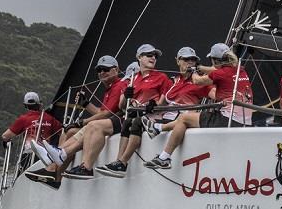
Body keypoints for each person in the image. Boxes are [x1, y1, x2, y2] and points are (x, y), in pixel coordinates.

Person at [146, 43, 252, 170]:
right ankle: (158, 128)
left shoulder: (219, 74)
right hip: (244, 121)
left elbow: (197, 81)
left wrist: (194, 71)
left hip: (227, 120)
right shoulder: (240, 68)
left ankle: (164, 157)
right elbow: (217, 70)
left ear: (215, 60)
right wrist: (200, 67)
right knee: (185, 118)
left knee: (184, 119)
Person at [26, 54, 128, 181]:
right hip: (109, 123)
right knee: (69, 131)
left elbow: (107, 114)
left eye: (106, 69)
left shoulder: (119, 85)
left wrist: (82, 122)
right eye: (99, 70)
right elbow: (101, 112)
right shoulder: (110, 89)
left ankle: (57, 158)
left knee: (89, 126)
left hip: (118, 123)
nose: (102, 72)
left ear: (116, 70)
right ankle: (54, 173)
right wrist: (85, 104)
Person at [96, 43, 171, 177]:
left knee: (135, 122)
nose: (153, 57)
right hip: (135, 115)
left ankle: (123, 162)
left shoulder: (162, 77)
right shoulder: (133, 78)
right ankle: (118, 162)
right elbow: (121, 106)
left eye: (155, 56)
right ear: (139, 57)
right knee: (128, 122)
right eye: (149, 55)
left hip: (153, 116)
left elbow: (166, 102)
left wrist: (154, 105)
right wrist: (126, 95)